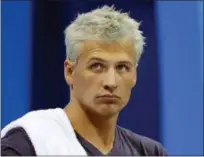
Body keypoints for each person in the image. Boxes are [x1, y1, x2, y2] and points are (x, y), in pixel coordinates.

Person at [1, 5, 167, 156]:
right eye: (97, 66)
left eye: (122, 67)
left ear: (135, 75)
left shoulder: (149, 152)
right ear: (70, 71)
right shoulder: (29, 143)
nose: (111, 82)